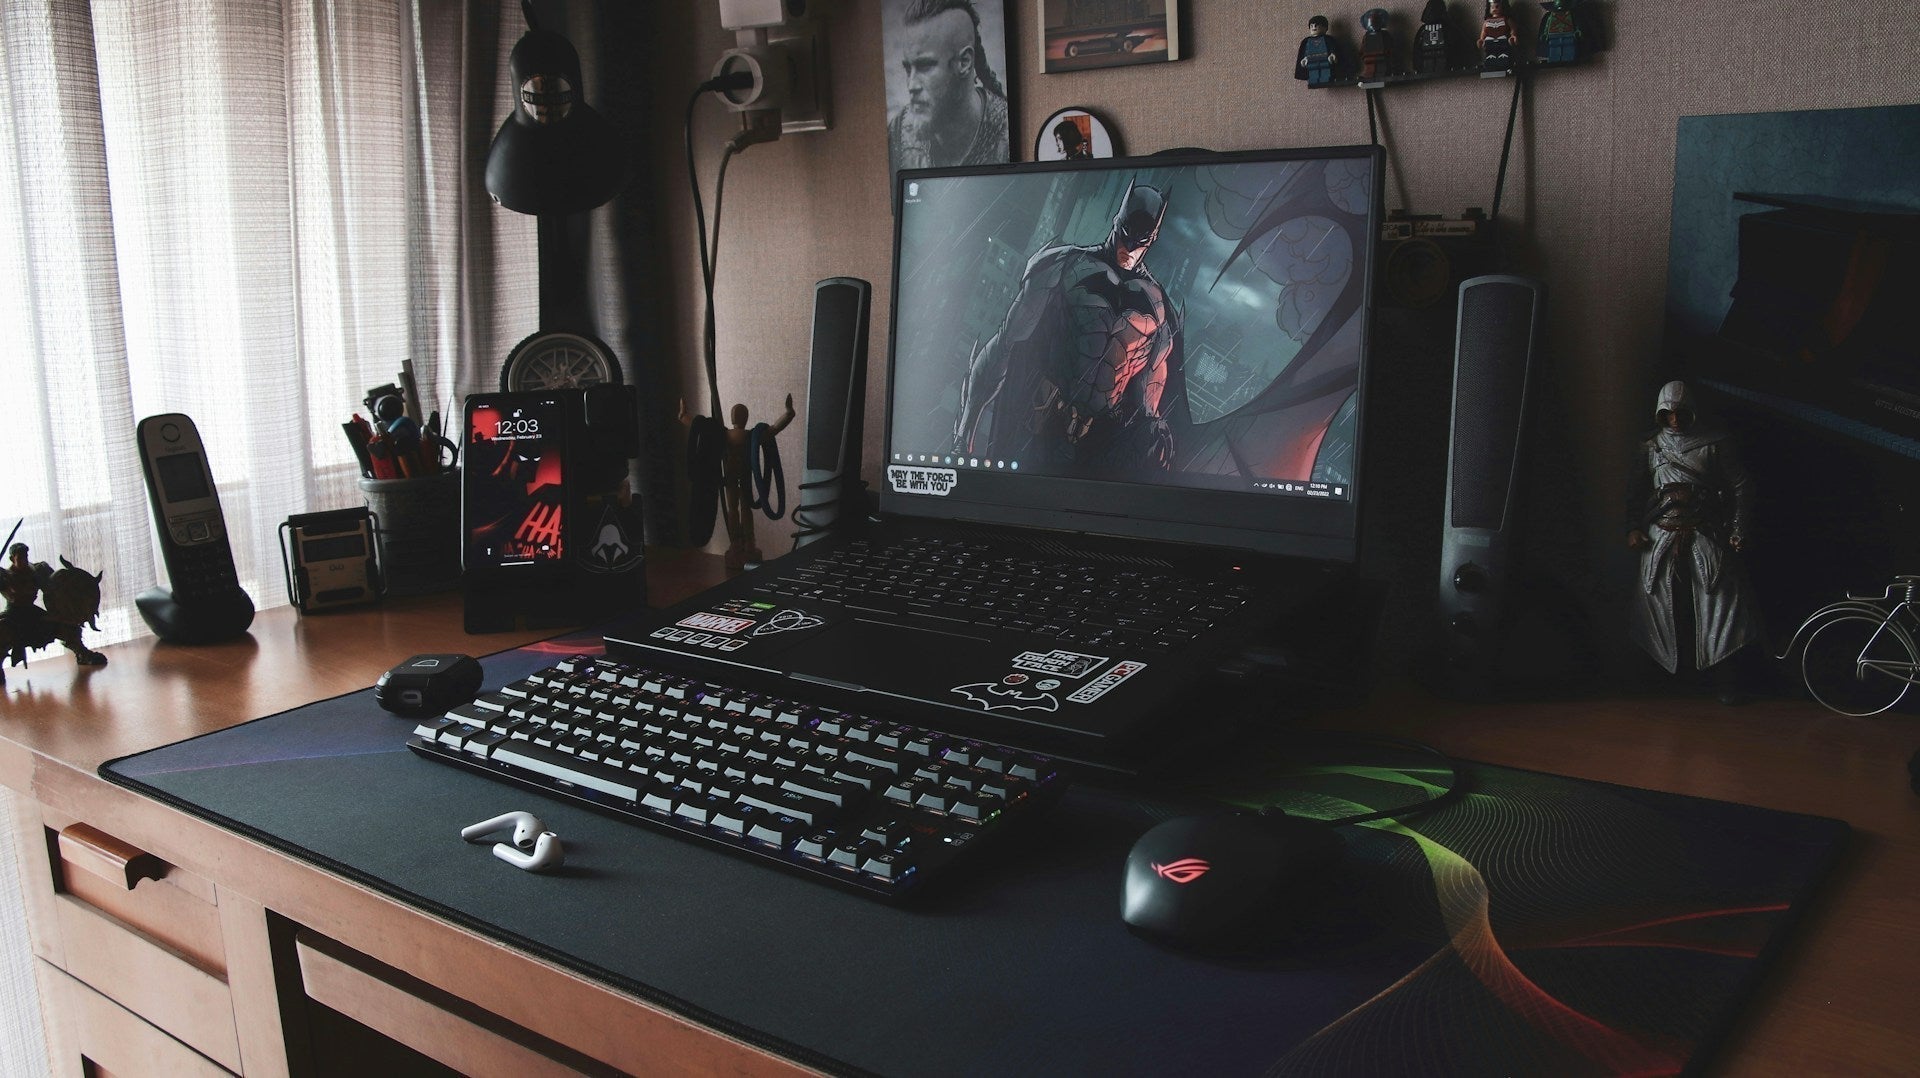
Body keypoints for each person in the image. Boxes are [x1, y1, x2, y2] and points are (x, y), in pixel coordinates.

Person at [953, 180, 1182, 474]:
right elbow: (1004, 345)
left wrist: (1155, 433)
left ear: (1151, 240)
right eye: (1126, 237)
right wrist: (963, 437)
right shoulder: (1063, 266)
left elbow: (1147, 406)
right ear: (1117, 223)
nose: (1131, 249)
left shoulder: (1159, 311)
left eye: (1141, 242)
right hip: (1040, 427)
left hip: (1097, 448)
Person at [1626, 381, 1764, 700]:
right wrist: (1633, 527)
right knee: (1656, 607)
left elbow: (1741, 486)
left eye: (1681, 414)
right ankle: (1659, 681)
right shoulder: (1650, 447)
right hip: (1661, 537)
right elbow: (1636, 492)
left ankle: (1725, 680)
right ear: (1660, 414)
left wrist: (1738, 529)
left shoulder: (1714, 443)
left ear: (1692, 412)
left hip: (1705, 534)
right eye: (1668, 414)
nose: (1675, 421)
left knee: (1722, 604)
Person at [888, 0, 1009, 171]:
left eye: (925, 66)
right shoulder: (898, 133)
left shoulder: (1007, 134)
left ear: (964, 62)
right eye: (908, 68)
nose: (911, 85)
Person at [1295, 15, 1341, 87]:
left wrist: (1332, 55)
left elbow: (1333, 48)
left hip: (1325, 60)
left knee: (1325, 70)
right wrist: (1304, 59)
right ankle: (1313, 80)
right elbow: (1304, 52)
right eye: (1311, 26)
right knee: (1313, 72)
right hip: (1311, 61)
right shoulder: (1306, 41)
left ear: (1325, 28)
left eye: (1316, 25)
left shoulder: (1328, 39)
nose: (1314, 27)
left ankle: (1325, 79)